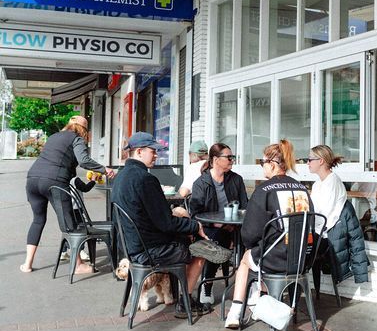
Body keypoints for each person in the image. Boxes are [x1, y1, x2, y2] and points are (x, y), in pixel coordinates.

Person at [110, 132, 209, 319]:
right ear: (139, 152)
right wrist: (195, 227)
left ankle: (173, 293)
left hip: (130, 248)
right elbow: (166, 223)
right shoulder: (146, 179)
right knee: (200, 250)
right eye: (153, 151)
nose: (156, 155)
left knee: (183, 236)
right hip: (150, 251)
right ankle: (184, 300)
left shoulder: (120, 178)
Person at [224, 140, 312, 329]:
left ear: (271, 164)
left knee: (247, 259)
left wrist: (251, 244)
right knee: (261, 251)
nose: (261, 166)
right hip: (301, 259)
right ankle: (260, 301)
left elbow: (249, 233)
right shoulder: (303, 188)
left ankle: (235, 312)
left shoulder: (264, 190)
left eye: (262, 162)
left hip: (275, 259)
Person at [21, 115, 115, 274]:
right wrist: (104, 170)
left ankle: (27, 264)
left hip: (32, 179)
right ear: (83, 129)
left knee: (38, 220)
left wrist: (89, 181)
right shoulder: (77, 139)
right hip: (54, 181)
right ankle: (78, 265)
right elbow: (84, 160)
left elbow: (64, 165)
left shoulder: (53, 137)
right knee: (68, 222)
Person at [305, 145, 369, 292]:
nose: (307, 163)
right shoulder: (317, 184)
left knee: (294, 250)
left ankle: (293, 290)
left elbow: (323, 216)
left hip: (328, 237)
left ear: (320, 161)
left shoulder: (332, 181)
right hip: (317, 232)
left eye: (309, 159)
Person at [190, 142, 248, 302]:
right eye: (228, 157)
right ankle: (207, 287)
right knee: (217, 238)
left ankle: (251, 285)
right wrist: (218, 224)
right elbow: (195, 213)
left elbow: (245, 206)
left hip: (235, 226)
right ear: (215, 159)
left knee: (253, 237)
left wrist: (233, 223)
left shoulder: (236, 180)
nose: (232, 160)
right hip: (210, 228)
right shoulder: (201, 183)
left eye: (232, 157)